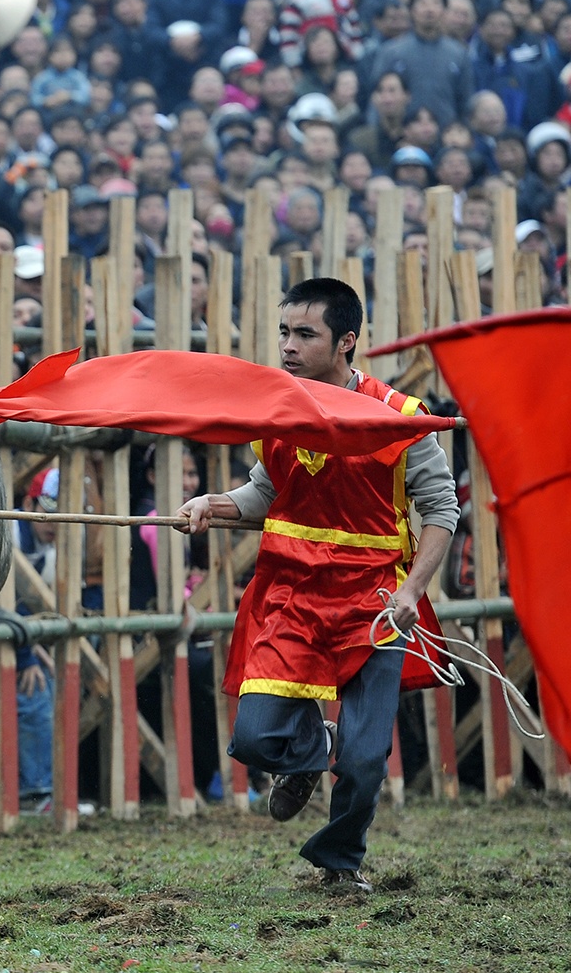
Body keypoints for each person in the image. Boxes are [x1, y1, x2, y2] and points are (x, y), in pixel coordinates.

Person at [177, 279, 458, 892]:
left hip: (377, 604)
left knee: (362, 761)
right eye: (284, 332)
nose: (288, 347)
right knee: (254, 738)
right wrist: (214, 503)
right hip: (292, 596)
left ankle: (340, 861)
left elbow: (441, 510)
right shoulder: (275, 412)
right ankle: (310, 749)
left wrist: (411, 593)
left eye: (305, 334)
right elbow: (267, 493)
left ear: (347, 341)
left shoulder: (402, 420)